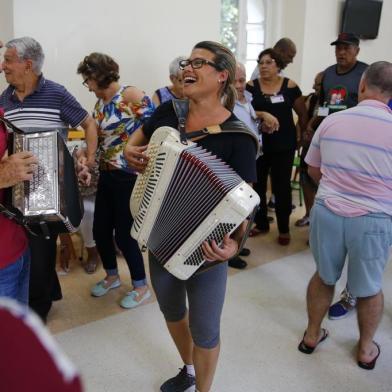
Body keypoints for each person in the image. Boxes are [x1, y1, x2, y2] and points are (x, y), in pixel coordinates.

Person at [124, 41, 257, 392]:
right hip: (157, 233)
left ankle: (203, 389)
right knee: (171, 311)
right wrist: (128, 151)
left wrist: (235, 246)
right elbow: (135, 140)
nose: (188, 68)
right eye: (187, 61)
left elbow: (248, 203)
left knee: (206, 328)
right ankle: (188, 368)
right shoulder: (169, 112)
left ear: (222, 76)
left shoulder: (239, 138)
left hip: (208, 249)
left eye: (199, 62)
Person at [298, 61, 392, 370]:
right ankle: (365, 350)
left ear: (362, 85)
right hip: (374, 218)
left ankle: (312, 335)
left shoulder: (332, 122)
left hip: (327, 212)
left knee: (324, 277)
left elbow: (312, 169)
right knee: (368, 288)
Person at [0, 37, 98, 322]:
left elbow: (88, 123)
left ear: (27, 64)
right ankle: (46, 294)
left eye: (8, 60)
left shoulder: (56, 93)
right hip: (13, 192)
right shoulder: (3, 100)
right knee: (28, 254)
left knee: (41, 252)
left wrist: (87, 158)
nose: (3, 66)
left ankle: (38, 312)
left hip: (50, 192)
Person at [77, 52, 153, 308]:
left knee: (124, 234)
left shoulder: (130, 95)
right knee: (100, 229)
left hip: (129, 175)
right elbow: (96, 138)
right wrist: (84, 157)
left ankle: (141, 286)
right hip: (107, 174)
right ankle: (112, 276)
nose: (87, 86)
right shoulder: (99, 104)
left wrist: (135, 151)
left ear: (99, 76)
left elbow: (155, 127)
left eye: (88, 80)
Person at [319, 33, 368, 320]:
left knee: (361, 236)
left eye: (347, 48)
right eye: (338, 47)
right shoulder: (326, 74)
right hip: (331, 146)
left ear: (357, 50)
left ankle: (354, 294)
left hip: (361, 152)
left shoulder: (367, 74)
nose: (341, 52)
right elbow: (324, 105)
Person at [246, 48, 308, 245]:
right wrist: (262, 113)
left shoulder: (290, 86)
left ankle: (283, 228)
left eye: (268, 62)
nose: (263, 66)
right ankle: (261, 223)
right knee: (258, 186)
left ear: (278, 65)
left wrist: (302, 133)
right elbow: (244, 111)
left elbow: (303, 113)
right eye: (261, 62)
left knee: (282, 187)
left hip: (284, 145)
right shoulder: (250, 86)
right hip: (258, 145)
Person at [231, 61, 278, 269]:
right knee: (236, 208)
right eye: (236, 82)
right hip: (236, 164)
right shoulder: (225, 103)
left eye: (242, 80)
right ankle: (231, 250)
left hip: (251, 159)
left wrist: (260, 120)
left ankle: (238, 243)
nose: (241, 85)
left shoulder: (245, 99)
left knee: (245, 207)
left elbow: (247, 122)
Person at [295, 71, 323, 228]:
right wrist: (300, 137)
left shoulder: (332, 101)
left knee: (318, 182)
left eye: (317, 84)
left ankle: (318, 221)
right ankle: (308, 214)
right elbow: (301, 118)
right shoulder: (311, 99)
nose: (313, 86)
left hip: (324, 149)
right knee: (305, 179)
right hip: (307, 146)